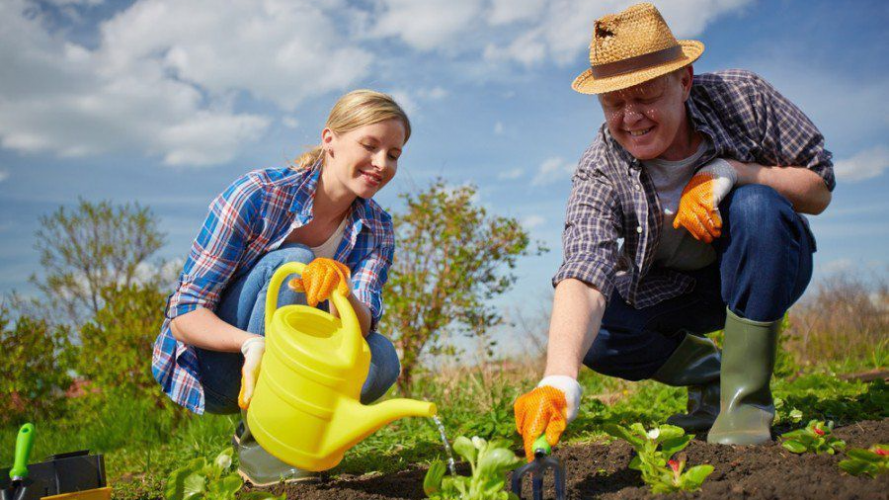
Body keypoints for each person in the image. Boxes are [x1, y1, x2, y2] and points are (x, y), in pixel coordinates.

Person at [513, 2, 834, 460]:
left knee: (757, 206)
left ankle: (745, 402)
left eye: (644, 96)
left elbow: (819, 189)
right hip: (676, 292)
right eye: (614, 103)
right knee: (598, 332)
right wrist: (558, 380)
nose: (631, 117)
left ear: (683, 81)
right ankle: (711, 373)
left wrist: (730, 172)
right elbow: (584, 269)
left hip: (765, 263)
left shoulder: (742, 97)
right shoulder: (599, 168)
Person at [151, 90, 410, 484]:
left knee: (382, 357)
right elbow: (184, 316)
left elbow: (364, 324)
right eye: (370, 146)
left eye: (392, 154)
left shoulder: (377, 228)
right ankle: (262, 442)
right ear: (330, 140)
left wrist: (342, 288)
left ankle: (295, 434)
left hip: (296, 371)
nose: (381, 164)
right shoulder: (257, 195)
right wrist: (252, 343)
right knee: (294, 265)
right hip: (225, 367)